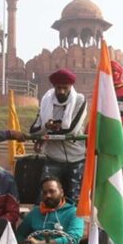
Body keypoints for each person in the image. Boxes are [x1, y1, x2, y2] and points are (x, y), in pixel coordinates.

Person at [29, 69, 88, 202]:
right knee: (46, 198)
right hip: (53, 158)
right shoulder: (46, 101)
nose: (61, 91)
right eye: (58, 88)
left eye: (65, 88)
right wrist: (46, 127)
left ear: (70, 86)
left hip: (76, 159)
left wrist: (46, 133)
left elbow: (71, 129)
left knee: (75, 200)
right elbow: (33, 130)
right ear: (54, 87)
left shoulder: (79, 100)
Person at [16, 176, 84, 244]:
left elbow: (73, 238)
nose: (48, 195)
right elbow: (19, 235)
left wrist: (41, 243)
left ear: (61, 192)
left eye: (52, 191)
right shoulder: (35, 212)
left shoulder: (73, 212)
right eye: (44, 192)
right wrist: (25, 243)